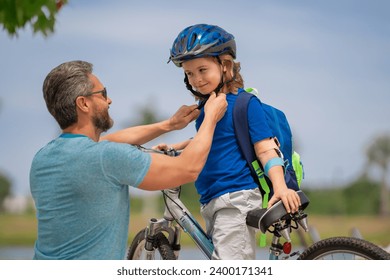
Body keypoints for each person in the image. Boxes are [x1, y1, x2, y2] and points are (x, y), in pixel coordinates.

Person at [29, 60, 227, 260]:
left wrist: (169, 125)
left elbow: (109, 141)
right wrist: (210, 117)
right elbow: (187, 169)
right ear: (83, 103)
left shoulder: (43, 158)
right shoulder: (105, 157)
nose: (109, 100)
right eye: (103, 93)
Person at [155, 24, 301, 259]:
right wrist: (176, 147)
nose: (196, 79)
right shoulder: (206, 109)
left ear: (226, 65)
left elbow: (265, 149)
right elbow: (213, 141)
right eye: (189, 73)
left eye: (202, 70)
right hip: (213, 200)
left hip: (235, 200)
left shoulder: (245, 104)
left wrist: (281, 187)